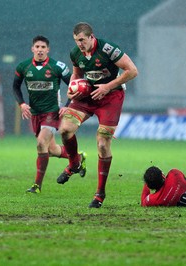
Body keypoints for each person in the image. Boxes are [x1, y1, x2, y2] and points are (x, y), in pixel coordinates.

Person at [57, 22, 138, 208]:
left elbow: (132, 71)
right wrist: (71, 89)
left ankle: (100, 193)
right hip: (88, 95)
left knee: (102, 144)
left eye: (82, 40)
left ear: (91, 37)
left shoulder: (108, 49)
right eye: (77, 41)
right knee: (65, 129)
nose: (79, 44)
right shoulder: (76, 53)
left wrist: (107, 86)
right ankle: (74, 163)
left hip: (112, 96)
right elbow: (76, 74)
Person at [12, 35, 86, 194]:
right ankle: (78, 158)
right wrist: (22, 103)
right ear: (32, 48)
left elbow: (74, 86)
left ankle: (37, 186)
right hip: (35, 114)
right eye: (37, 47)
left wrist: (67, 106)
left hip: (52, 113)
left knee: (40, 143)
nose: (40, 50)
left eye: (43, 47)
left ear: (48, 49)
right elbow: (15, 87)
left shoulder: (57, 66)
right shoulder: (23, 66)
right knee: (50, 149)